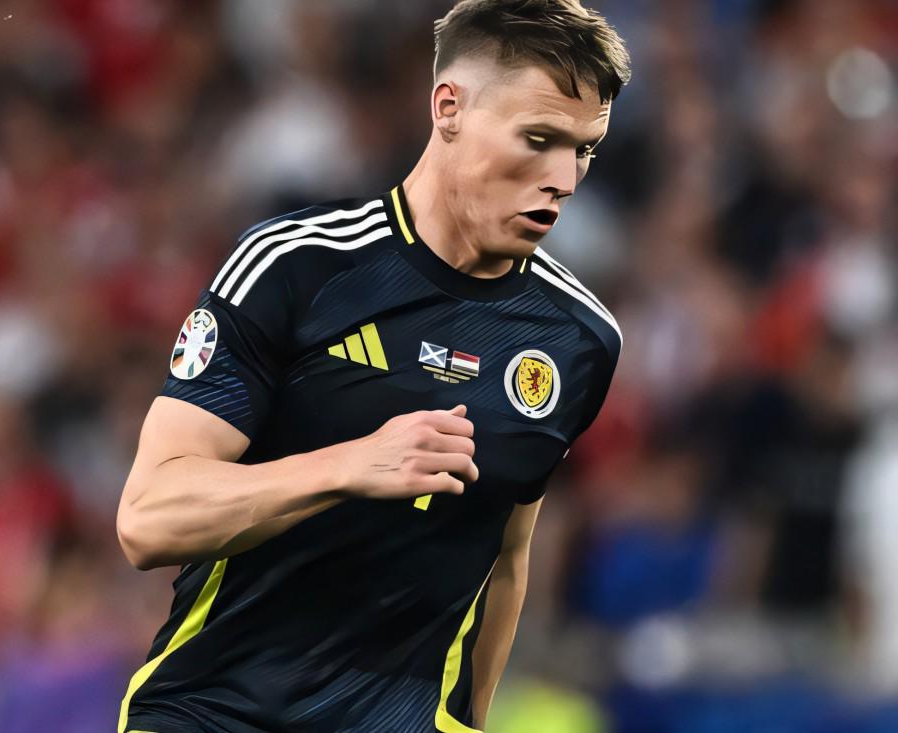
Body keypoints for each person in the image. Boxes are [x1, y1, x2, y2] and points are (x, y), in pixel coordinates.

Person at [115, 1, 630, 730]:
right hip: (213, 712)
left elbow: (507, 559)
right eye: (539, 139)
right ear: (448, 108)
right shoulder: (296, 268)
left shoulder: (577, 338)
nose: (564, 180)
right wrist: (348, 465)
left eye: (584, 149)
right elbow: (148, 518)